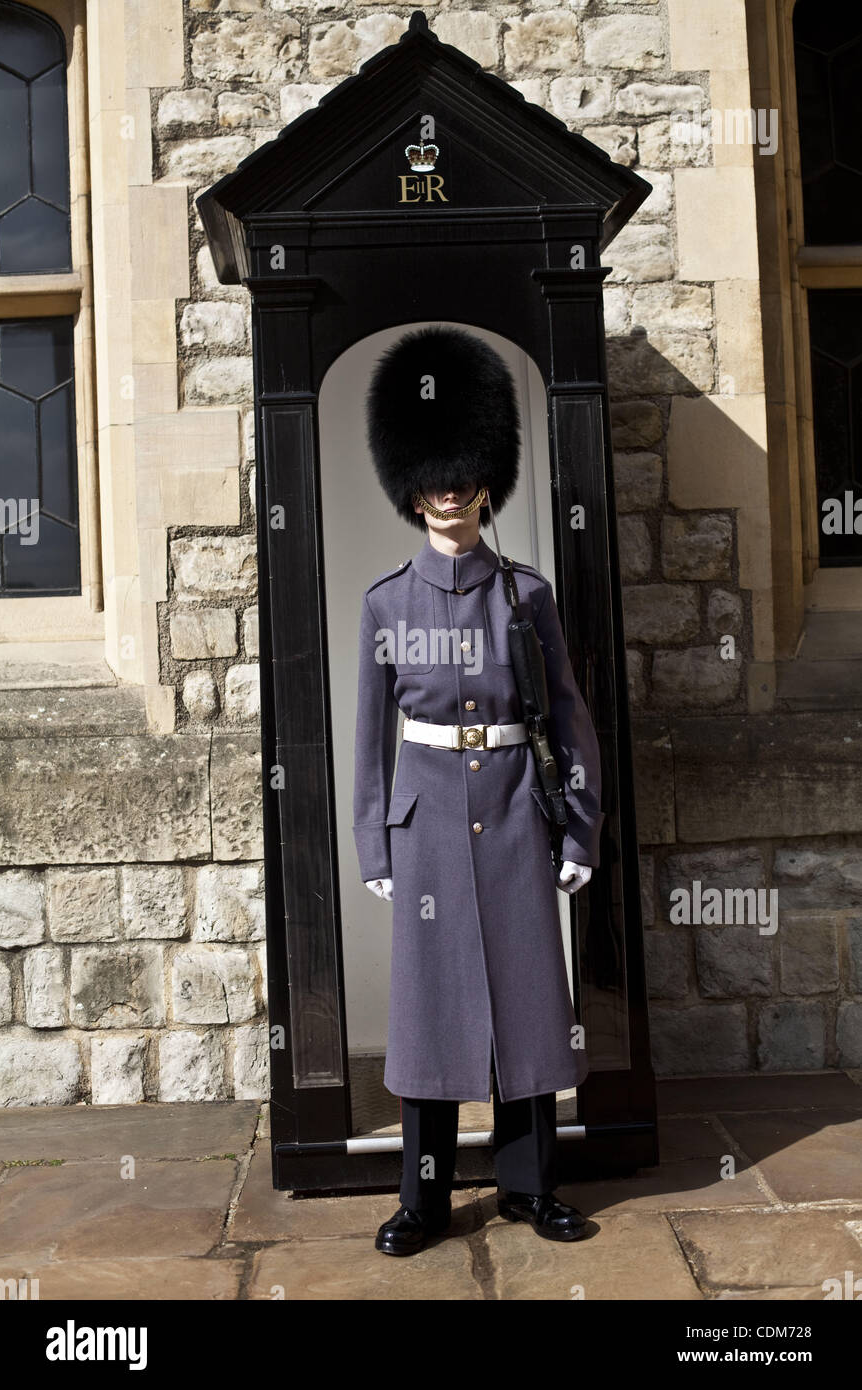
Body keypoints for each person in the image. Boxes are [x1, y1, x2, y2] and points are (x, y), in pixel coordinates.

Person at [352, 326, 604, 1256]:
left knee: (531, 1004)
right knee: (427, 1016)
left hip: (513, 816)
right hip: (423, 827)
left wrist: (579, 831)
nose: (450, 490)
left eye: (462, 474)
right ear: (413, 486)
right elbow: (371, 737)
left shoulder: (524, 594)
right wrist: (375, 846)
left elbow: (570, 716)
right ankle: (422, 1199)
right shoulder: (385, 603)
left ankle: (531, 1188)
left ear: (484, 479)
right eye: (434, 476)